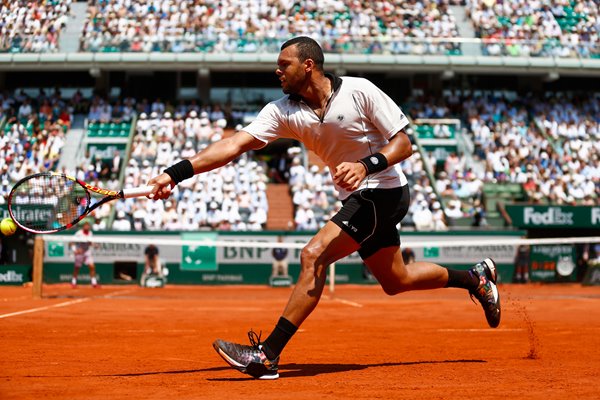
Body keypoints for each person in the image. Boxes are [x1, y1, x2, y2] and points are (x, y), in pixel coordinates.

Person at [147, 36, 500, 380]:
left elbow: (404, 143)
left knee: (313, 255)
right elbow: (234, 145)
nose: (277, 71)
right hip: (359, 199)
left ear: (308, 65)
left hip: (384, 191)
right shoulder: (282, 111)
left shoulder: (359, 91)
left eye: (284, 65)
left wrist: (366, 165)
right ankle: (475, 278)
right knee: (397, 280)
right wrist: (174, 174)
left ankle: (266, 355)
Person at [70, 222, 98, 288]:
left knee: (92, 266)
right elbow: (71, 242)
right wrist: (75, 250)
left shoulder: (90, 233)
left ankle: (94, 283)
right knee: (77, 268)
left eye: (88, 226)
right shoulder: (79, 233)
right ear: (83, 227)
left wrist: (95, 245)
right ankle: (73, 282)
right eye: (85, 226)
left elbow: (90, 243)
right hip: (80, 252)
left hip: (87, 252)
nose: (86, 227)